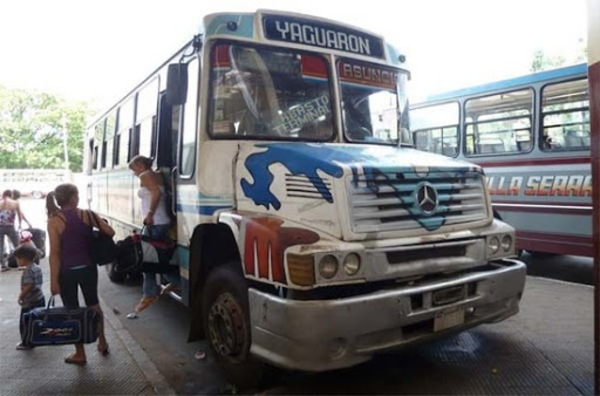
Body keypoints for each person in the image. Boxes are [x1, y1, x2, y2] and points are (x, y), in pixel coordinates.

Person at [46, 183, 115, 365]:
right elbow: (110, 232)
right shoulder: (88, 214)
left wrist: (54, 282)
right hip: (88, 269)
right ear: (74, 198)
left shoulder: (54, 221)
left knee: (73, 311)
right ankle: (102, 342)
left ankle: (80, 353)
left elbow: (55, 253)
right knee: (94, 305)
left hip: (66, 272)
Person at [128, 155, 179, 314]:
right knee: (161, 257)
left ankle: (149, 294)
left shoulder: (145, 175)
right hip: (162, 221)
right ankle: (175, 282)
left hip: (155, 222)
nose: (135, 173)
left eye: (134, 169)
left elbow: (156, 193)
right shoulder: (158, 174)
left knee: (149, 258)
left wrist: (149, 214)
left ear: (140, 165)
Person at [15, 243, 45, 350]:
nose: (17, 261)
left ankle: (27, 342)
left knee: (26, 323)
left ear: (24, 259)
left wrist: (21, 296)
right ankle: (38, 338)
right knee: (37, 320)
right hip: (39, 298)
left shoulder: (28, 271)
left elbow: (28, 286)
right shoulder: (37, 268)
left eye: (18, 259)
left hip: (30, 301)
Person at [1, 189, 31, 271]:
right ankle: (21, 264)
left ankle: (3, 266)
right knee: (18, 245)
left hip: (0, 226)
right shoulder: (15, 203)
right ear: (11, 195)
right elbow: (19, 215)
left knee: (0, 246)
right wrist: (20, 225)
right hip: (10, 226)